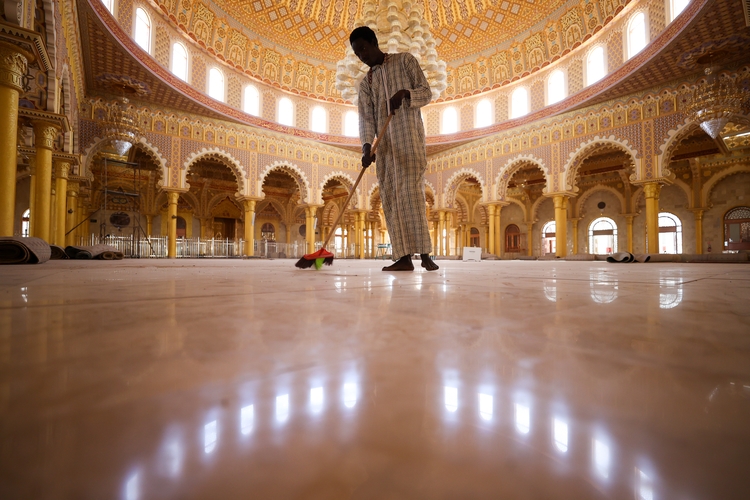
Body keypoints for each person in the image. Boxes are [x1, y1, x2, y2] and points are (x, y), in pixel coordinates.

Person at [350, 26, 439, 272]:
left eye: (364, 50)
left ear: (374, 42)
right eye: (358, 55)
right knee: (390, 198)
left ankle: (425, 254)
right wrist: (367, 146)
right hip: (386, 147)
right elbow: (366, 118)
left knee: (411, 194)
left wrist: (405, 94)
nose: (362, 57)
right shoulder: (366, 83)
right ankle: (403, 257)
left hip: (409, 139)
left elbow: (427, 92)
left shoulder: (405, 61)